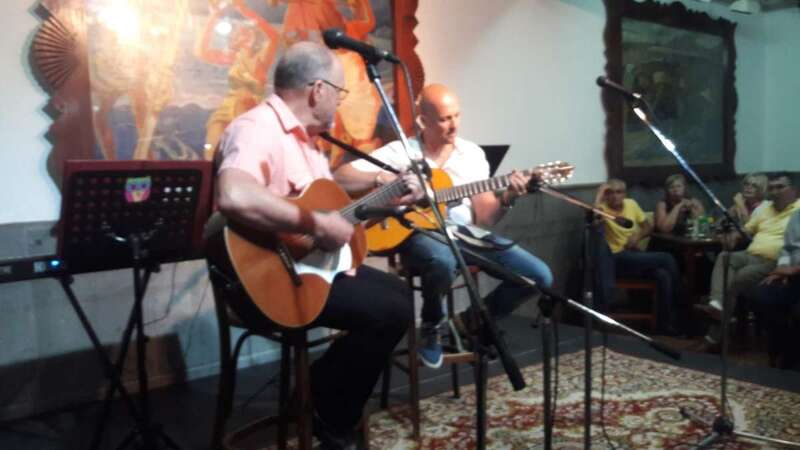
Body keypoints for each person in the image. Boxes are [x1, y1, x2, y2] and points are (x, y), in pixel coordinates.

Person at [213, 41, 422, 449]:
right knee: (390, 309)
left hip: (311, 270)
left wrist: (389, 202)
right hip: (265, 283)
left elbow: (336, 224)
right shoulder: (257, 129)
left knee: (397, 298)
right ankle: (330, 414)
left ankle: (321, 399)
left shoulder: (307, 143)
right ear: (318, 90)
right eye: (340, 93)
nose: (340, 104)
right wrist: (312, 222)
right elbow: (234, 196)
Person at [333, 84, 553, 369]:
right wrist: (383, 179)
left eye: (457, 116)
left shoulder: (471, 154)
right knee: (442, 258)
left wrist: (509, 196)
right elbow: (341, 176)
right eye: (445, 119)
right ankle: (432, 324)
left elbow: (486, 217)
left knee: (539, 275)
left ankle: (474, 320)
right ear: (423, 120)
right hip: (418, 232)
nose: (454, 125)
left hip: (464, 235)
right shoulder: (402, 151)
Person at [695, 172, 800, 353]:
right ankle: (717, 304)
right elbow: (746, 229)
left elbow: (790, 248)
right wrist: (733, 237)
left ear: (793, 190)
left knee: (738, 278)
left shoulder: (798, 211)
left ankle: (714, 336)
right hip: (750, 254)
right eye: (772, 188)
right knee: (724, 257)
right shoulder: (765, 208)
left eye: (780, 187)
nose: (775, 192)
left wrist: (786, 266)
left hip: (774, 261)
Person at [594, 179, 681, 335]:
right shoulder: (601, 208)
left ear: (624, 194)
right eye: (610, 192)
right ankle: (681, 310)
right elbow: (593, 219)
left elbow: (648, 226)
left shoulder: (631, 204)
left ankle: (664, 325)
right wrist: (599, 194)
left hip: (633, 255)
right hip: (614, 259)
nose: (615, 196)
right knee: (666, 259)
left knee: (662, 275)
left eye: (619, 192)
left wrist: (637, 236)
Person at [750, 209, 800, 368]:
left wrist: (795, 269)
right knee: (763, 293)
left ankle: (791, 355)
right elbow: (787, 248)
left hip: (796, 272)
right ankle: (782, 346)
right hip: (792, 276)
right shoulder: (797, 216)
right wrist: (782, 268)